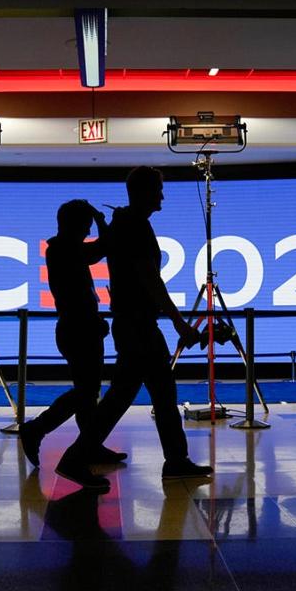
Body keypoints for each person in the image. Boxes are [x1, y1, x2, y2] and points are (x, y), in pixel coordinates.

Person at [56, 166, 212, 488]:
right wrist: (179, 322)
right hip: (139, 327)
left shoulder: (125, 224)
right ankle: (77, 458)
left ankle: (175, 460)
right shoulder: (135, 228)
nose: (162, 196)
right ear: (145, 193)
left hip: (133, 325)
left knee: (149, 394)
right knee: (134, 397)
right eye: (158, 189)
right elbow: (150, 280)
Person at [19, 200, 127, 468]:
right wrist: (105, 223)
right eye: (86, 225)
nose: (88, 231)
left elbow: (96, 251)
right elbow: (101, 249)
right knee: (86, 392)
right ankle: (37, 428)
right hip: (79, 329)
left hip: (78, 327)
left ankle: (90, 445)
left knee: (87, 394)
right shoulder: (63, 249)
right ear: (75, 225)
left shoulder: (61, 248)